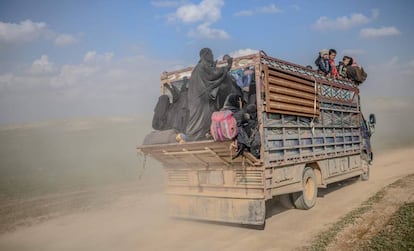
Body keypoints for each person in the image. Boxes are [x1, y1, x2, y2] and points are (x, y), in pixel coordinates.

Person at [185, 48, 233, 141]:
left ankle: (194, 136)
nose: (212, 56)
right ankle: (193, 136)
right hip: (200, 99)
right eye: (211, 54)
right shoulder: (202, 66)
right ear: (205, 55)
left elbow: (211, 73)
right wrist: (228, 66)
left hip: (196, 99)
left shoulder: (198, 67)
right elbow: (214, 74)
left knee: (197, 119)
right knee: (199, 119)